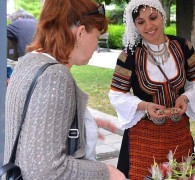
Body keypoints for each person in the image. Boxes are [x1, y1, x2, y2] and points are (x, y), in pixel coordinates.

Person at [3, 0, 125, 179]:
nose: (96, 46)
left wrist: (85, 125)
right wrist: (107, 172)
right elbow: (45, 170)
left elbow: (33, 126)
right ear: (81, 33)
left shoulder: (29, 61)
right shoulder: (55, 76)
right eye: (97, 36)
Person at [108, 0, 195, 179]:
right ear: (135, 25)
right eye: (141, 22)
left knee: (182, 174)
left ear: (162, 16)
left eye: (153, 17)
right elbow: (117, 94)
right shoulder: (129, 55)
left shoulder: (182, 46)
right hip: (143, 140)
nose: (149, 26)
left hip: (179, 135)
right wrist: (145, 106)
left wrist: (186, 97)